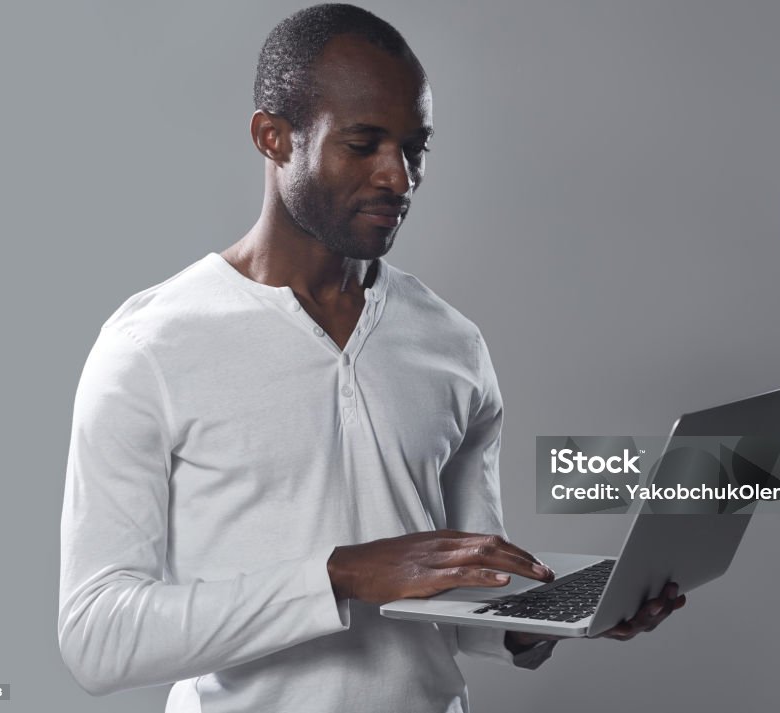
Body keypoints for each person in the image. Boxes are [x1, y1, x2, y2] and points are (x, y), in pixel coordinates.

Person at [57, 5, 685, 712]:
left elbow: (468, 588)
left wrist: (559, 614)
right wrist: (340, 575)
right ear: (273, 137)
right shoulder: (152, 345)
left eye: (415, 148)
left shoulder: (452, 345)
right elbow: (97, 634)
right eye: (364, 144)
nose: (399, 177)